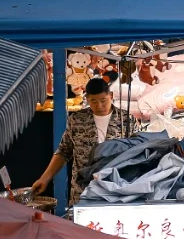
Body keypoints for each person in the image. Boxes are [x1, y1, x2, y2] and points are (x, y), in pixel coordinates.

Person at [25, 72, 121, 202]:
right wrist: (44, 179)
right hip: (83, 191)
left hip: (116, 190)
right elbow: (64, 151)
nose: (99, 105)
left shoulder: (126, 120)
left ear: (111, 96)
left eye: (103, 100)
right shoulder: (77, 119)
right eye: (94, 101)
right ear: (87, 99)